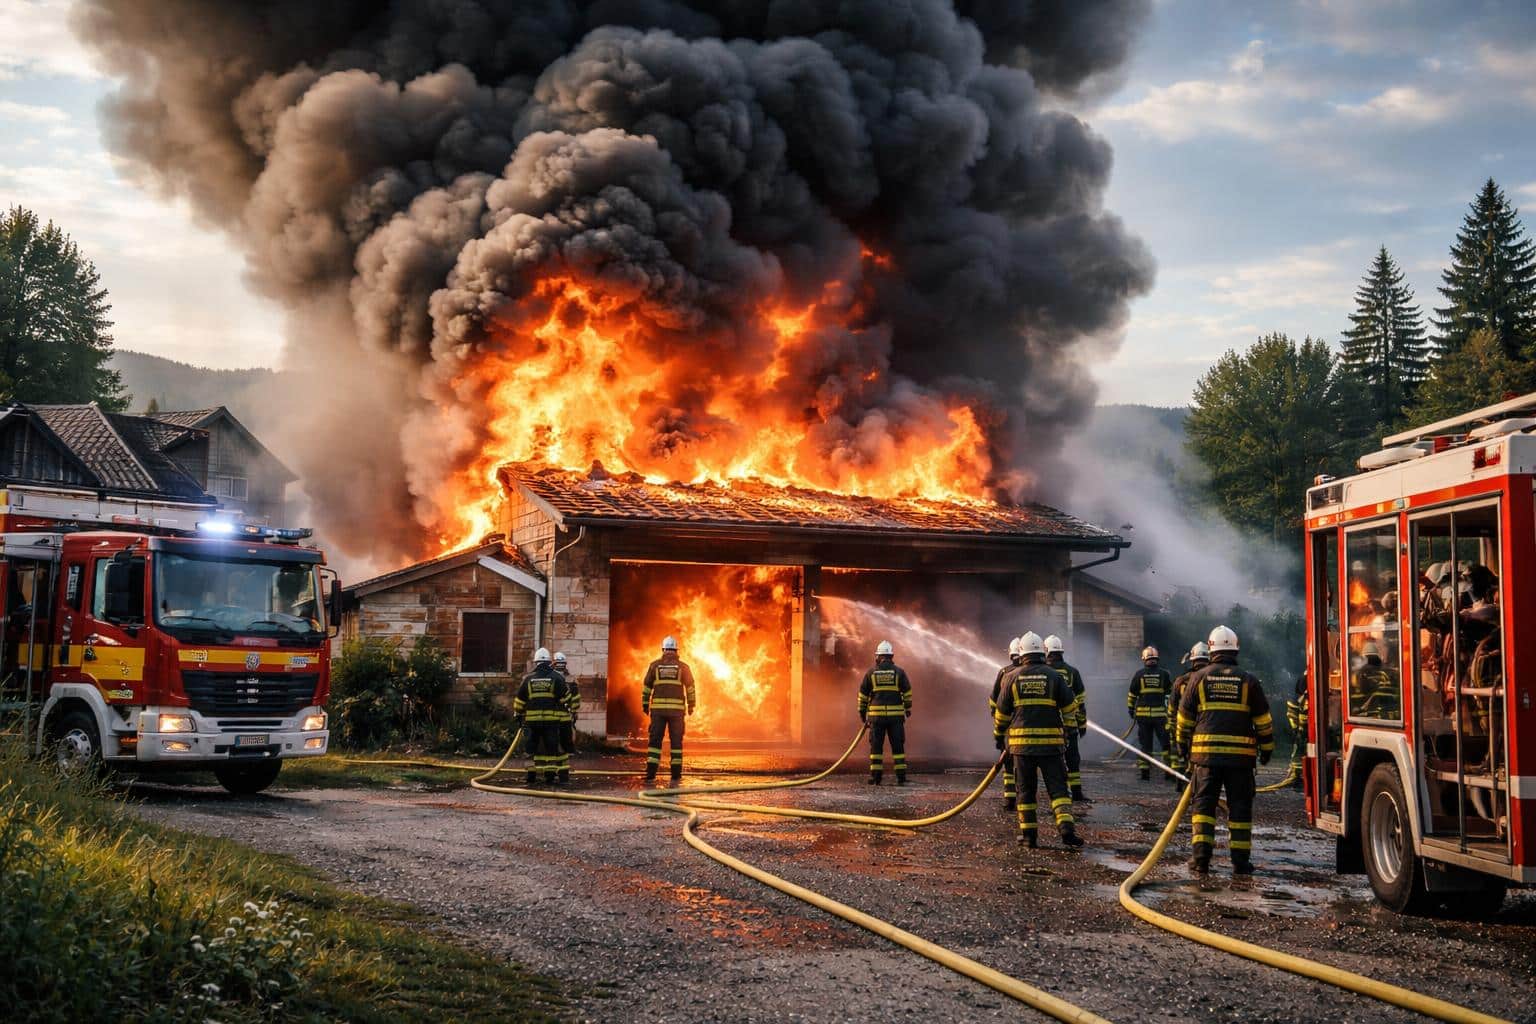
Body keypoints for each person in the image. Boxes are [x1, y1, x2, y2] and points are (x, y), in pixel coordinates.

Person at [1175, 625, 1274, 875]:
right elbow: (1263, 720)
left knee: (1203, 808)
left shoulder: (1198, 678)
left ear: (1211, 650)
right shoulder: (1248, 680)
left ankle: (1201, 860)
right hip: (1240, 760)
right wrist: (1267, 749)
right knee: (1240, 809)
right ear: (1235, 649)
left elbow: (1184, 718)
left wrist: (1181, 746)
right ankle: (1240, 862)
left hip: (1205, 758)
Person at [994, 632, 1082, 849]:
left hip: (1022, 748)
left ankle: (1029, 837)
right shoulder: (1054, 676)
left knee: (1025, 791)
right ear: (1043, 653)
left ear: (1021, 653)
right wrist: (1069, 730)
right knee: (1059, 790)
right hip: (1052, 746)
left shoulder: (1012, 677)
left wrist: (999, 736)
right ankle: (1067, 830)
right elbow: (1070, 707)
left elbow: (1001, 713)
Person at [512, 648, 571, 786]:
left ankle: (530, 776)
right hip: (551, 722)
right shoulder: (557, 678)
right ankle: (549, 777)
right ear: (550, 662)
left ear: (536, 662)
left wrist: (518, 713)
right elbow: (567, 698)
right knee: (550, 749)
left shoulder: (528, 679)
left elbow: (519, 701)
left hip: (532, 723)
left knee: (531, 749)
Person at [641, 635, 696, 782]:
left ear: (663, 650)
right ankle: (676, 775)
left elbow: (647, 687)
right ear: (676, 650)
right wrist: (691, 705)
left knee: (655, 743)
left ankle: (651, 774)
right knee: (676, 743)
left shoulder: (654, 665)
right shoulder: (683, 667)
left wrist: (645, 704)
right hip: (676, 713)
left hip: (658, 712)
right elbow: (690, 688)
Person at [858, 640, 913, 785]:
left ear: (878, 656)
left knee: (876, 747)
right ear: (891, 656)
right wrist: (907, 708)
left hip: (877, 718)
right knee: (898, 747)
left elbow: (863, 694)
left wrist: (862, 712)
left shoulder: (871, 673)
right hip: (896, 718)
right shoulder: (899, 672)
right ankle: (901, 778)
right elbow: (907, 692)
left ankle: (876, 778)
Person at [1044, 634, 1090, 801]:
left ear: (1046, 651)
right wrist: (1082, 724)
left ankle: (1060, 794)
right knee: (1073, 759)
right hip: (1070, 726)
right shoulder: (1072, 672)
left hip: (1049, 727)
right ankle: (1076, 793)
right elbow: (1080, 701)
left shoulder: (1043, 672)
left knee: (1053, 762)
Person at [1167, 641, 1209, 791]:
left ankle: (1182, 785)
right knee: (1202, 761)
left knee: (1182, 756)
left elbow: (1172, 707)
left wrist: (1173, 728)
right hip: (1205, 728)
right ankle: (1199, 787)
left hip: (1183, 727)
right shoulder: (1212, 679)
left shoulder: (1181, 681)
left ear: (1192, 660)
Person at [1127, 646, 1173, 782]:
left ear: (1144, 659)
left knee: (1145, 745)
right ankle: (1168, 772)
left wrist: (1131, 709)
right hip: (1160, 717)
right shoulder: (1164, 674)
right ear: (1156, 659)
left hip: (1143, 717)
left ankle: (1145, 773)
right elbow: (1170, 695)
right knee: (1166, 744)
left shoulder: (1139, 674)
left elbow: (1132, 694)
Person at [990, 637, 1024, 809]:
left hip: (1009, 729)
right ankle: (1024, 799)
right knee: (1027, 767)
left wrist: (997, 727)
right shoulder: (1037, 671)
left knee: (1008, 763)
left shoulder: (1005, 673)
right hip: (1027, 727)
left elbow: (994, 701)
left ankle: (1009, 799)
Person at [553, 651, 578, 783]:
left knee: (553, 744)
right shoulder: (571, 679)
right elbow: (575, 698)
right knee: (564, 746)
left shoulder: (551, 677)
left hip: (553, 718)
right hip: (565, 717)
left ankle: (552, 772)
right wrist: (574, 712)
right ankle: (563, 773)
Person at [1285, 673, 1308, 792]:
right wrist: (1297, 731)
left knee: (1299, 754)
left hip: (1303, 730)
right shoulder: (1300, 698)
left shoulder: (1303, 697)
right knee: (1299, 754)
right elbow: (1292, 715)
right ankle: (1297, 779)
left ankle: (1298, 778)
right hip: (1302, 731)